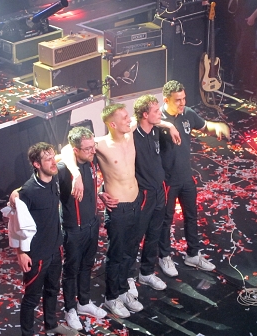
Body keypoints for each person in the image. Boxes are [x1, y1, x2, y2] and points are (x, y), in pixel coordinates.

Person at [61, 103, 144, 319]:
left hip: (136, 203)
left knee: (130, 251)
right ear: (112, 124)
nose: (129, 119)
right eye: (124, 117)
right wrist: (76, 175)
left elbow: (154, 116)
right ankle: (111, 296)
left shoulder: (130, 132)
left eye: (128, 116)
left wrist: (169, 126)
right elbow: (66, 149)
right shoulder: (100, 145)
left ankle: (123, 290)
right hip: (119, 208)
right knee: (116, 255)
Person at [158, 80, 230, 277]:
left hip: (186, 177)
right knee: (166, 220)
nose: (182, 103)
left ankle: (193, 254)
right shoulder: (157, 118)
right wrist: (166, 124)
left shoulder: (187, 113)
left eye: (184, 99)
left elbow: (204, 125)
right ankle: (164, 256)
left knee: (192, 216)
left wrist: (216, 127)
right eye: (177, 100)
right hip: (167, 180)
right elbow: (140, 122)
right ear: (166, 100)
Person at [10, 142, 77, 336]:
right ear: (36, 164)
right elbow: (16, 223)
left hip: (55, 249)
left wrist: (78, 176)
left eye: (52, 156)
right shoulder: (28, 192)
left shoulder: (55, 179)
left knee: (52, 289)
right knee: (31, 298)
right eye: (47, 159)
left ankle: (51, 325)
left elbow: (68, 153)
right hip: (37, 254)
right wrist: (21, 252)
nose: (52, 161)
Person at [105, 95, 169, 295]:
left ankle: (147, 272)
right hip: (143, 195)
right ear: (144, 114)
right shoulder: (131, 135)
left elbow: (160, 122)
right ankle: (129, 277)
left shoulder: (156, 131)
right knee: (134, 238)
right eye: (156, 111)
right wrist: (102, 191)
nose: (160, 113)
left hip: (160, 190)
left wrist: (171, 126)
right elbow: (114, 165)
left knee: (154, 235)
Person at [59, 127, 107, 330]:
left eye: (92, 146)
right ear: (75, 150)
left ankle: (84, 302)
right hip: (73, 229)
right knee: (71, 270)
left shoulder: (90, 162)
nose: (92, 151)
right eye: (87, 148)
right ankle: (70, 308)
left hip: (91, 224)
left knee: (87, 265)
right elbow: (61, 151)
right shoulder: (63, 169)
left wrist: (101, 196)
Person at [228, 0, 257, 90]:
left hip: (251, 19)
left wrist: (253, 16)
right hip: (240, 18)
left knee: (242, 51)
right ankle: (242, 81)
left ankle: (239, 80)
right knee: (241, 51)